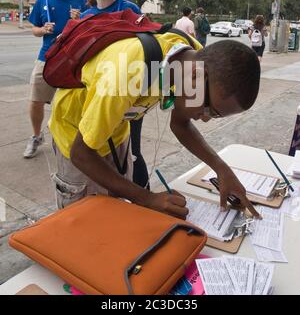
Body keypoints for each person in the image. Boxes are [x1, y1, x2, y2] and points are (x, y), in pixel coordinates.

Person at [49, 35, 261, 220]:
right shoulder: (125, 74)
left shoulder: (193, 57)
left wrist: (222, 170)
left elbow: (181, 124)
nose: (205, 119)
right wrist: (147, 198)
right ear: (196, 76)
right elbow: (81, 153)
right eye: (210, 110)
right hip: (74, 135)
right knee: (84, 222)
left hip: (114, 133)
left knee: (117, 211)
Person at [80, 0, 148, 189]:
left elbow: (145, 48)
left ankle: (143, 198)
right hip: (96, 95)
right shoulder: (84, 17)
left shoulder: (129, 10)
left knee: (131, 150)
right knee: (99, 149)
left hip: (127, 92)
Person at [23, 0, 88, 159]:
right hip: (46, 57)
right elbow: (34, 28)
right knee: (36, 101)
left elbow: (92, 25)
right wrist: (43, 30)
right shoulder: (43, 0)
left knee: (75, 103)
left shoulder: (82, 0)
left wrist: (81, 19)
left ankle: (77, 139)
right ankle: (36, 136)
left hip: (73, 59)